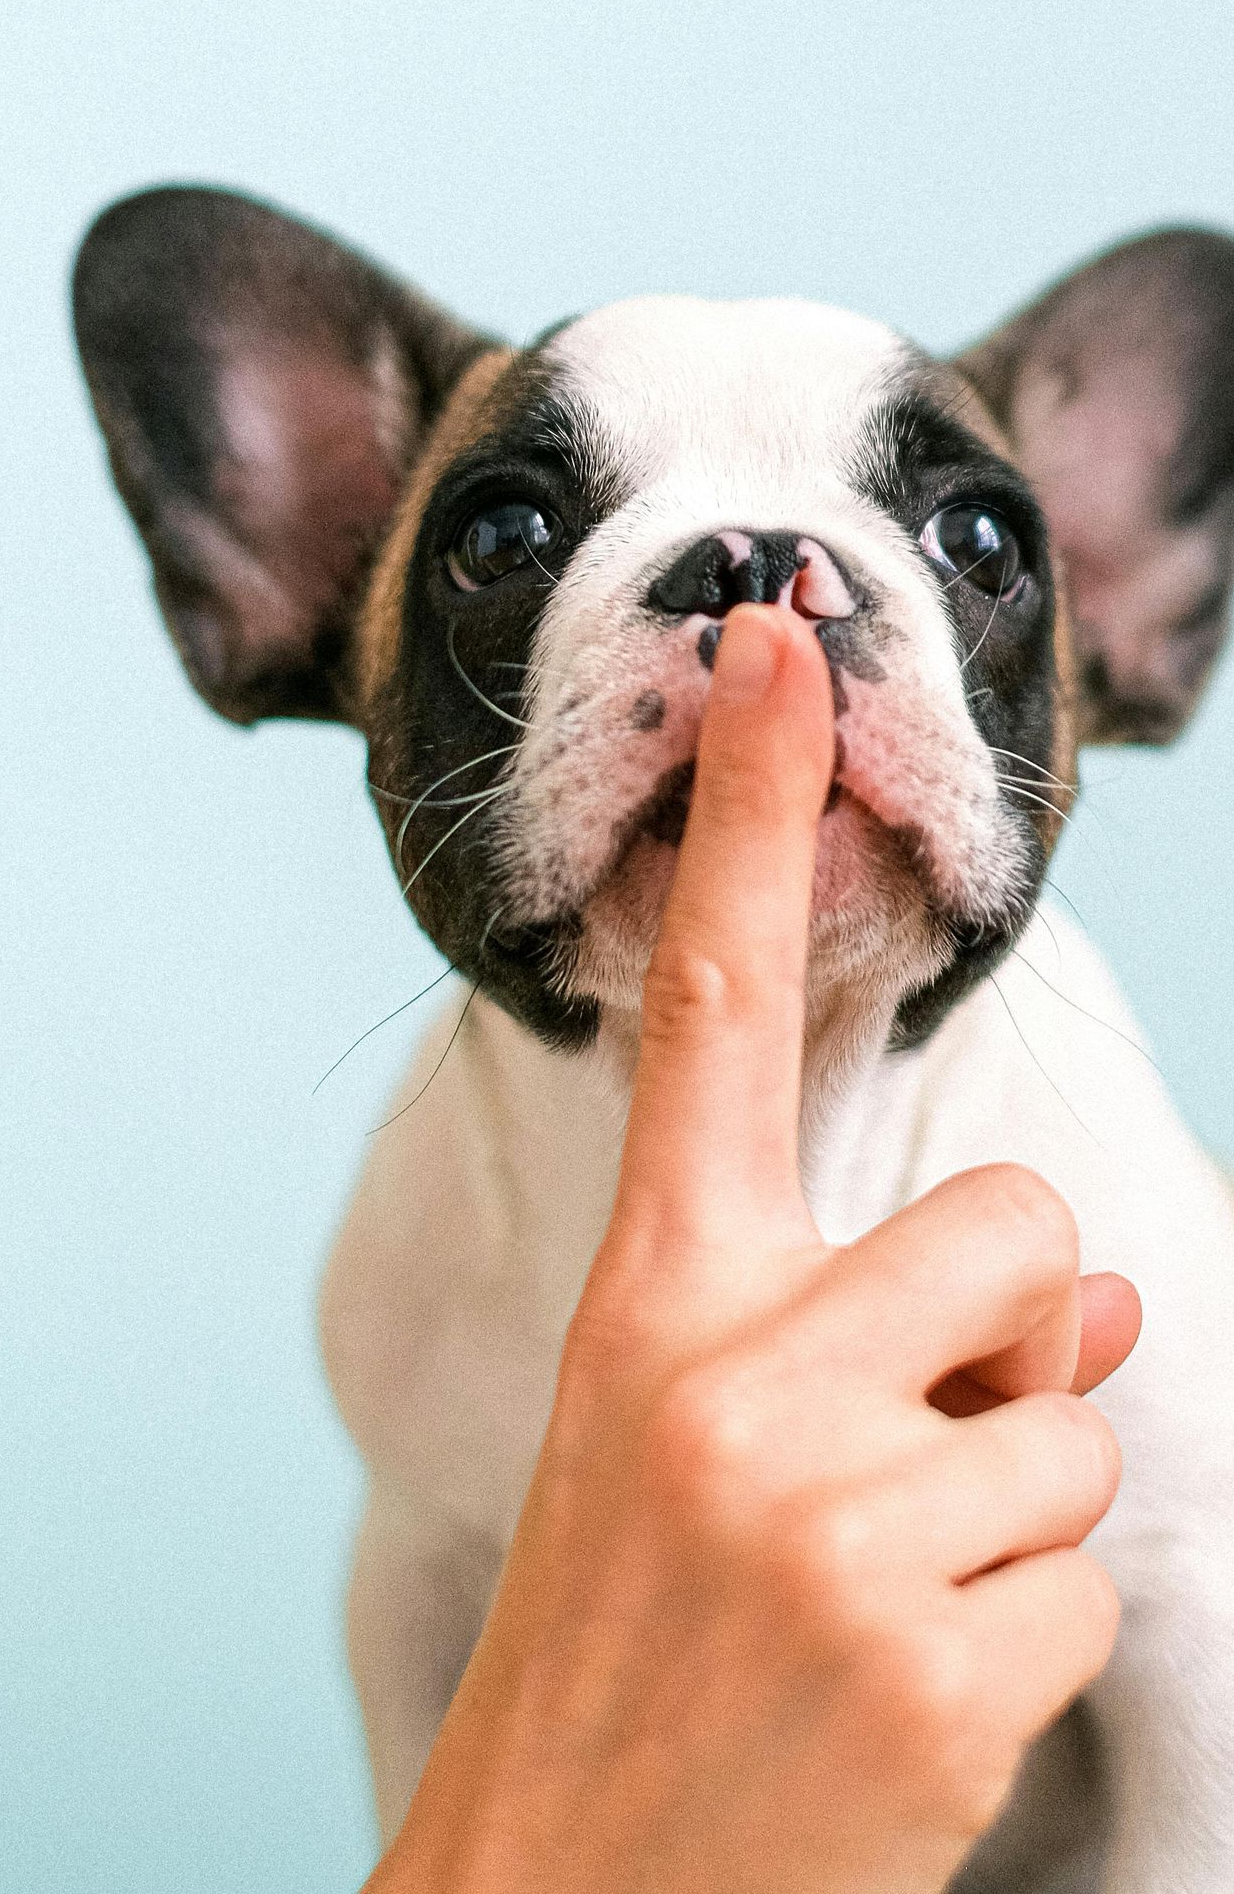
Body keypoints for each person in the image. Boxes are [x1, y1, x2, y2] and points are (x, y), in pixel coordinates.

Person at [367, 603, 1142, 1894]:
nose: (769, 618)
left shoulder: (1107, 1163)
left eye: (978, 552)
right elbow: (413, 1599)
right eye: (506, 544)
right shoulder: (406, 1293)